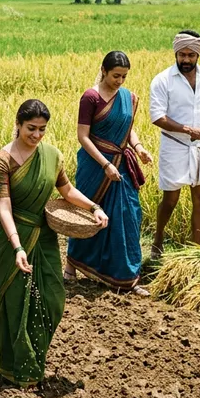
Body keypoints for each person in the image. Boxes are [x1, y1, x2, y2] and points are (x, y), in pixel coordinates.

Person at [0, 99, 108, 388]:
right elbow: (3, 207)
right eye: (31, 128)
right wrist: (17, 246)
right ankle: (17, 369)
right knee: (16, 302)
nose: (37, 135)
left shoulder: (52, 155)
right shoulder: (2, 160)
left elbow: (66, 190)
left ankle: (34, 361)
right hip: (12, 237)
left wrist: (94, 208)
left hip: (44, 236)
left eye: (43, 129)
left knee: (52, 299)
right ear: (18, 124)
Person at [64, 51, 153, 294]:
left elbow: (129, 130)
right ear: (103, 70)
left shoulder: (128, 98)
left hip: (122, 166)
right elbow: (83, 136)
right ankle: (72, 266)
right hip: (95, 165)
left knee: (128, 216)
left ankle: (127, 276)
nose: (120, 81)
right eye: (116, 76)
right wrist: (105, 164)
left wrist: (139, 148)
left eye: (124, 76)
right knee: (88, 214)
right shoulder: (90, 97)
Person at [149, 30, 200, 255]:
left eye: (191, 55)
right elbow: (157, 116)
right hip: (174, 146)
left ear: (198, 55)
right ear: (175, 53)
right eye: (182, 55)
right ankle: (158, 239)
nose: (186, 60)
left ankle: (196, 250)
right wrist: (187, 130)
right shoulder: (162, 80)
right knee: (171, 198)